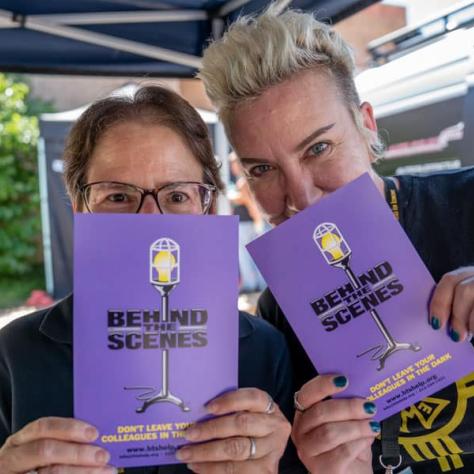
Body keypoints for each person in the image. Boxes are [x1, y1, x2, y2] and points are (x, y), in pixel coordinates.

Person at [199, 5, 474, 474]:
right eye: (263, 169)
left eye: (318, 148)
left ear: (366, 125)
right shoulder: (277, 314)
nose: (300, 196)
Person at [0, 85, 297, 474]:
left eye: (177, 196)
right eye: (118, 196)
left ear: (207, 209)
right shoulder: (14, 354)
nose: (149, 219)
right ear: (79, 209)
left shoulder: (263, 349)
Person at [228, 152, 267, 293]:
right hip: (248, 223)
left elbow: (250, 203)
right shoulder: (246, 181)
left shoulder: (243, 182)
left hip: (246, 224)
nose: (232, 167)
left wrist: (257, 221)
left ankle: (251, 285)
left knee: (245, 256)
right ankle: (257, 284)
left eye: (234, 164)